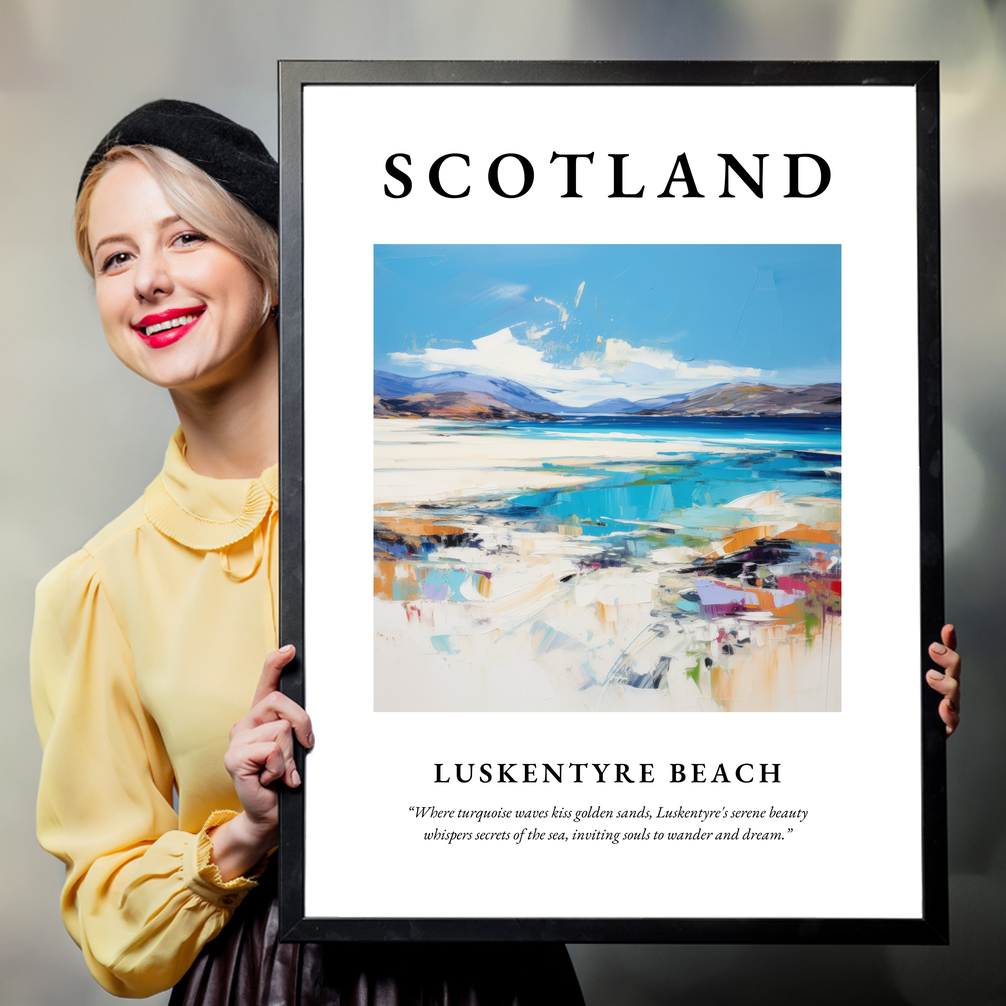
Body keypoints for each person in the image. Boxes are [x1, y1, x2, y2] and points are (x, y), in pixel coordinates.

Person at [30, 100, 585, 1004]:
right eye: (116, 257)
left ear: (273, 264)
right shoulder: (97, 587)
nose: (148, 281)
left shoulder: (449, 493)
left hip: (492, 973)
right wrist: (245, 832)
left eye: (186, 239)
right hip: (262, 982)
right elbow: (110, 924)